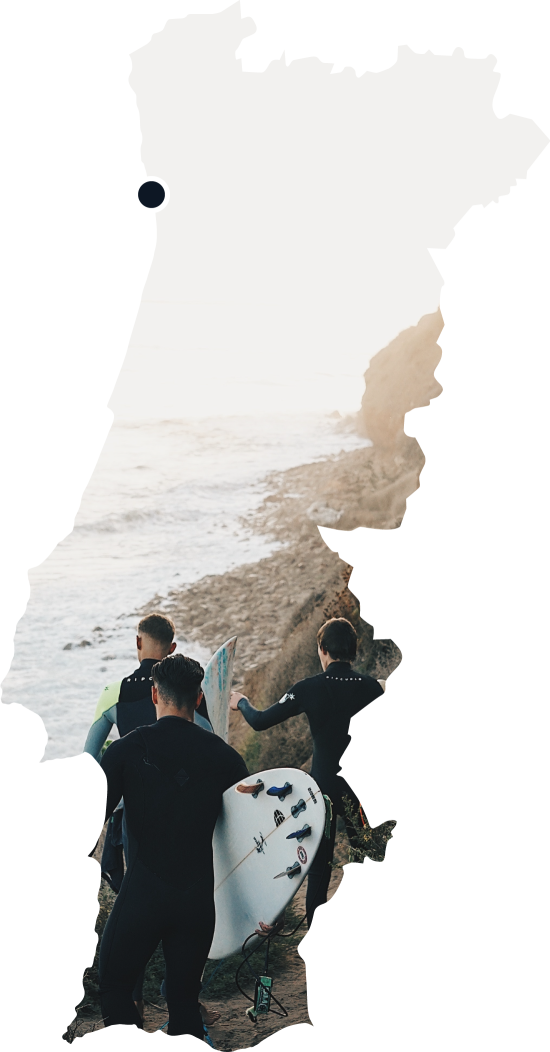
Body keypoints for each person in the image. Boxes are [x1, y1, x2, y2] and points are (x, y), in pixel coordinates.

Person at [91, 653, 248, 1037]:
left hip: (143, 893)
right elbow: (248, 841)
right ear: (198, 699)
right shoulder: (227, 758)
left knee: (112, 988)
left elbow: (88, 820)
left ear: (153, 694)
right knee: (183, 1001)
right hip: (196, 901)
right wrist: (261, 909)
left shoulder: (126, 751)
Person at [83, 612, 214, 1023]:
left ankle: (134, 1004)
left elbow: (90, 761)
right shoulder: (190, 690)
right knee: (183, 903)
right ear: (171, 649)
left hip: (130, 824)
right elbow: (210, 743)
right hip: (184, 822)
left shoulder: (113, 692)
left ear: (138, 643)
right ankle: (183, 1000)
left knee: (133, 909)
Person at [229, 617, 387, 928]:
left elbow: (260, 721)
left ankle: (319, 936)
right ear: (354, 651)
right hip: (359, 790)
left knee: (319, 870)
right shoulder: (371, 688)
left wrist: (242, 702)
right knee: (369, 857)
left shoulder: (310, 688)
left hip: (324, 790)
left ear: (323, 650)